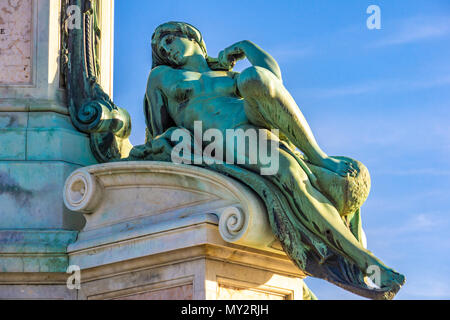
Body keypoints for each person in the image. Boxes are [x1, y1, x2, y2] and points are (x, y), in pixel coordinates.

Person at [144, 21, 405, 293]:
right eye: (161, 48)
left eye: (169, 41)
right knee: (293, 176)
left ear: (192, 37)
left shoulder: (225, 74)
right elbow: (160, 130)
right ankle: (367, 261)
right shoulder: (162, 77)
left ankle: (318, 157)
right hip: (220, 137)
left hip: (251, 121)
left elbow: (272, 80)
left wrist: (246, 47)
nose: (166, 50)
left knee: (253, 77)